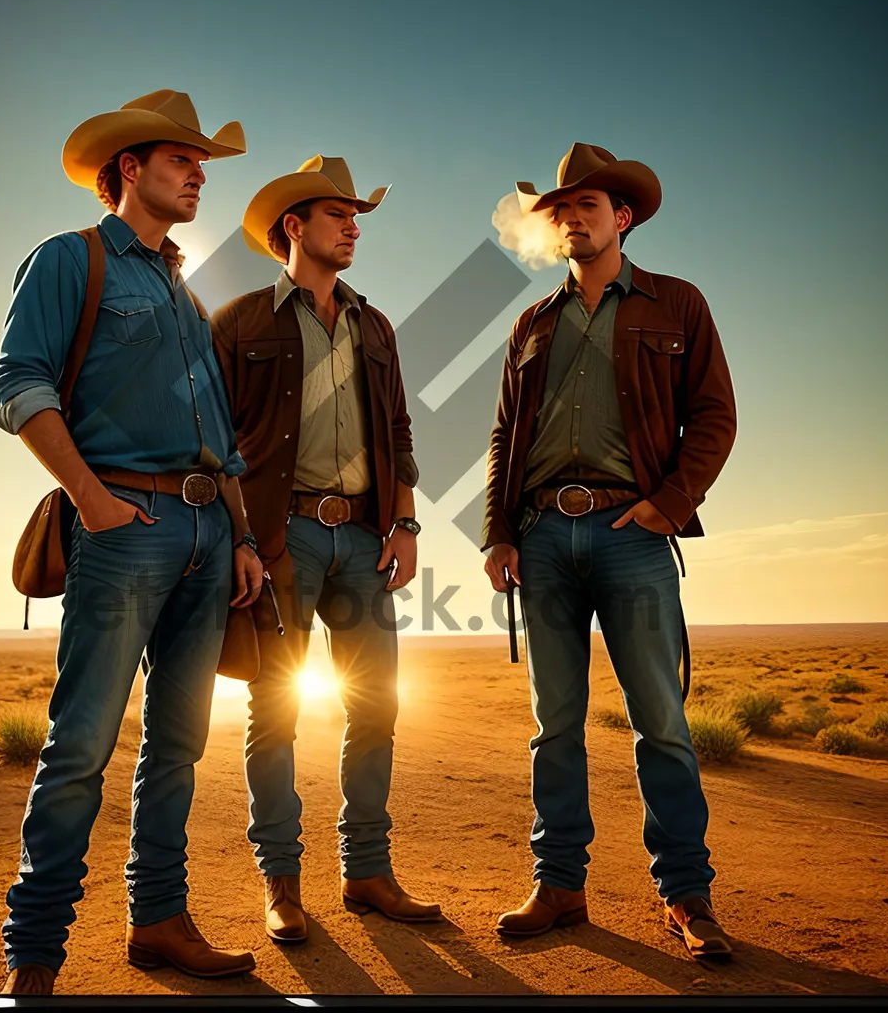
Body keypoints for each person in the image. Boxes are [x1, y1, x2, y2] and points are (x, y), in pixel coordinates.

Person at [0, 89, 263, 994]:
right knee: (81, 745)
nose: (196, 175)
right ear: (129, 169)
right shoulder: (71, 261)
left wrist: (243, 538)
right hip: (125, 529)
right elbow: (19, 386)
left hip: (206, 532)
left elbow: (220, 432)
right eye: (181, 160)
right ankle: (34, 957)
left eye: (201, 164)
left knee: (179, 745)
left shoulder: (183, 292)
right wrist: (90, 498)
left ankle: (159, 923)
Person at [482, 143, 737, 959]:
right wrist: (498, 532)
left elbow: (716, 415)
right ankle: (559, 887)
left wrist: (669, 504)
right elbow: (501, 437)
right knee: (553, 726)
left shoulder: (676, 305)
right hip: (545, 535)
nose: (569, 220)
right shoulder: (531, 324)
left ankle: (687, 898)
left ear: (621, 218)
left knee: (660, 721)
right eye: (558, 211)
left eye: (584, 207)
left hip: (634, 531)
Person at [209, 155, 441, 944]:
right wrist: (240, 537)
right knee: (274, 712)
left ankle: (367, 872)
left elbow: (400, 435)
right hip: (283, 538)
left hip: (367, 537)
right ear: (294, 227)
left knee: (376, 706)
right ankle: (281, 884)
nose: (353, 227)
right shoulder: (240, 322)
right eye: (338, 215)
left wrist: (405, 525)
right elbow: (213, 442)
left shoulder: (375, 326)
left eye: (357, 216)